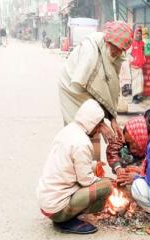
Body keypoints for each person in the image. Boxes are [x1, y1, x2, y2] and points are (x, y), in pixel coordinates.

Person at [37, 99, 113, 234]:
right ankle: (66, 219)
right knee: (107, 185)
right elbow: (86, 180)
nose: (98, 131)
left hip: (47, 202)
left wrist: (94, 165)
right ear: (92, 124)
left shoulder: (68, 130)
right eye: (99, 126)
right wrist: (105, 180)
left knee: (98, 176)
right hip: (57, 209)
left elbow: (71, 164)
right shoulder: (83, 143)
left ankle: (65, 216)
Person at [58, 21, 133, 141]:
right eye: (117, 49)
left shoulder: (116, 56)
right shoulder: (90, 51)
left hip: (87, 90)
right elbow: (80, 89)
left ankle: (91, 151)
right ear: (109, 42)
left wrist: (112, 119)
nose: (119, 53)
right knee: (80, 130)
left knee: (93, 130)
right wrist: (101, 123)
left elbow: (107, 90)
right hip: (72, 89)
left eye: (122, 50)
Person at [130, 26, 145, 104]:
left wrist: (144, 58)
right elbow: (128, 54)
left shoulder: (142, 43)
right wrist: (132, 61)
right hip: (133, 67)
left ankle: (138, 96)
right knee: (135, 83)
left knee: (140, 82)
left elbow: (143, 52)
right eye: (137, 33)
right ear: (134, 34)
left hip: (140, 67)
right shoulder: (131, 43)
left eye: (140, 33)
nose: (139, 35)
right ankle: (134, 98)